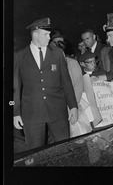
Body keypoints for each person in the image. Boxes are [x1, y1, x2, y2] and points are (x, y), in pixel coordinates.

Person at [13, 18, 78, 150]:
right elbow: (14, 88)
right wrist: (15, 112)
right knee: (35, 154)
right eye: (46, 34)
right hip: (32, 114)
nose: (50, 37)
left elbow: (66, 81)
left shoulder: (58, 53)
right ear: (35, 34)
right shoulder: (19, 56)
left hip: (57, 112)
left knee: (65, 150)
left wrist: (73, 106)